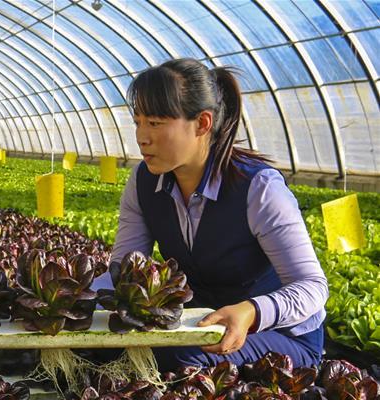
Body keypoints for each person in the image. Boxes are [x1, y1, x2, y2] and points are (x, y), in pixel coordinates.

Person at [109, 58, 327, 371]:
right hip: (203, 325)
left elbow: (312, 287)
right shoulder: (143, 182)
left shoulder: (258, 187)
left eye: (155, 123)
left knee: (179, 359)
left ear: (202, 123)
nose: (142, 136)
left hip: (280, 335)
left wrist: (251, 312)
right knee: (109, 346)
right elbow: (126, 268)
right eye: (138, 122)